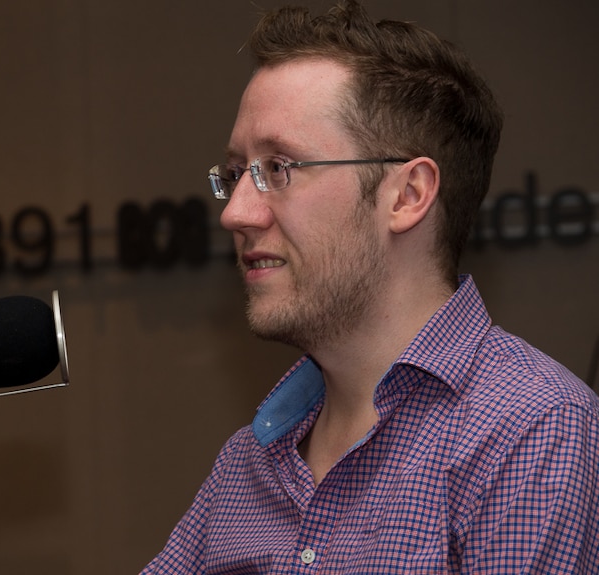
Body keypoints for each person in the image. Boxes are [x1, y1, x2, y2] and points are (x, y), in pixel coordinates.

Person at [140, 1, 599, 573]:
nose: (236, 212)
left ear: (407, 196)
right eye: (236, 173)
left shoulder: (529, 429)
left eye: (279, 168)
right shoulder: (249, 461)